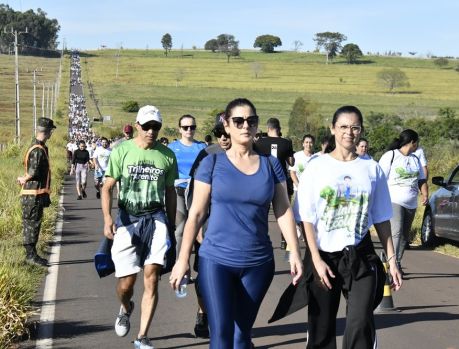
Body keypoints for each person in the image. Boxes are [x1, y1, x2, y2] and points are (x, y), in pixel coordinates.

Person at [170, 98, 303, 349]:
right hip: (216, 260)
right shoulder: (212, 163)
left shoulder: (270, 164)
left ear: (257, 126)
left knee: (241, 337)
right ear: (227, 125)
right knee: (221, 335)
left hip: (258, 263)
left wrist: (294, 252)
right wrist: (182, 259)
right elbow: (196, 213)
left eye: (251, 121)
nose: (245, 126)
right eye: (238, 121)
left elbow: (283, 209)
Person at [296, 105, 402, 348]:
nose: (349, 132)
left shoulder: (372, 169)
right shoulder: (316, 167)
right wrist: (315, 259)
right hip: (323, 256)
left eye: (355, 127)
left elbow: (382, 217)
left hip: (360, 255)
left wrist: (392, 260)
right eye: (343, 126)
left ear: (361, 130)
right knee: (321, 327)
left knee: (360, 322)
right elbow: (307, 218)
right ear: (333, 129)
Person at [101, 105, 178, 349]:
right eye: (147, 126)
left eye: (156, 126)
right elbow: (107, 186)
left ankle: (143, 336)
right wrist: (107, 218)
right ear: (137, 126)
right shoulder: (122, 151)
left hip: (156, 219)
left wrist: (172, 225)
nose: (151, 131)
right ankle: (126, 306)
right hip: (128, 220)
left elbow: (170, 193)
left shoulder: (166, 155)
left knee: (152, 276)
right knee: (126, 284)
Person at [186, 112, 231, 339]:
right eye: (218, 134)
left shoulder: (249, 156)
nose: (223, 138)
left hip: (234, 230)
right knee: (204, 279)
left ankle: (238, 334)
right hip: (208, 227)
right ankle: (203, 313)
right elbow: (194, 195)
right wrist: (197, 230)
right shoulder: (207, 154)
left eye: (226, 133)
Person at [379, 129, 428, 272]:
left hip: (412, 202)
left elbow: (421, 179)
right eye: (417, 142)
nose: (417, 145)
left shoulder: (415, 159)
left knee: (405, 236)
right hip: (394, 200)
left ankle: (397, 262)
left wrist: (425, 193)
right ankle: (390, 264)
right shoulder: (391, 156)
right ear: (412, 142)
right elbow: (380, 177)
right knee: (396, 232)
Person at [17, 117, 56, 266]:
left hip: (35, 193)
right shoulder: (38, 149)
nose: (51, 133)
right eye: (51, 130)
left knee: (32, 223)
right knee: (32, 224)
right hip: (33, 194)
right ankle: (31, 256)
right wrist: (23, 178)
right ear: (47, 132)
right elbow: (32, 172)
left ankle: (32, 254)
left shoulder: (38, 146)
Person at [168, 115, 206, 257]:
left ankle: (200, 267)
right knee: (180, 228)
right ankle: (180, 265)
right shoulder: (172, 148)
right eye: (185, 127)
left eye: (192, 127)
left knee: (199, 227)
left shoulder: (202, 147)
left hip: (197, 191)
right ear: (180, 129)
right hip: (178, 190)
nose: (189, 130)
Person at [254, 117, 294, 250]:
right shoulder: (286, 143)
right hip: (281, 180)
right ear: (279, 128)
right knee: (284, 211)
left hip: (264, 180)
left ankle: (261, 238)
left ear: (268, 128)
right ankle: (285, 240)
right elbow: (291, 163)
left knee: (262, 212)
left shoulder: (260, 142)